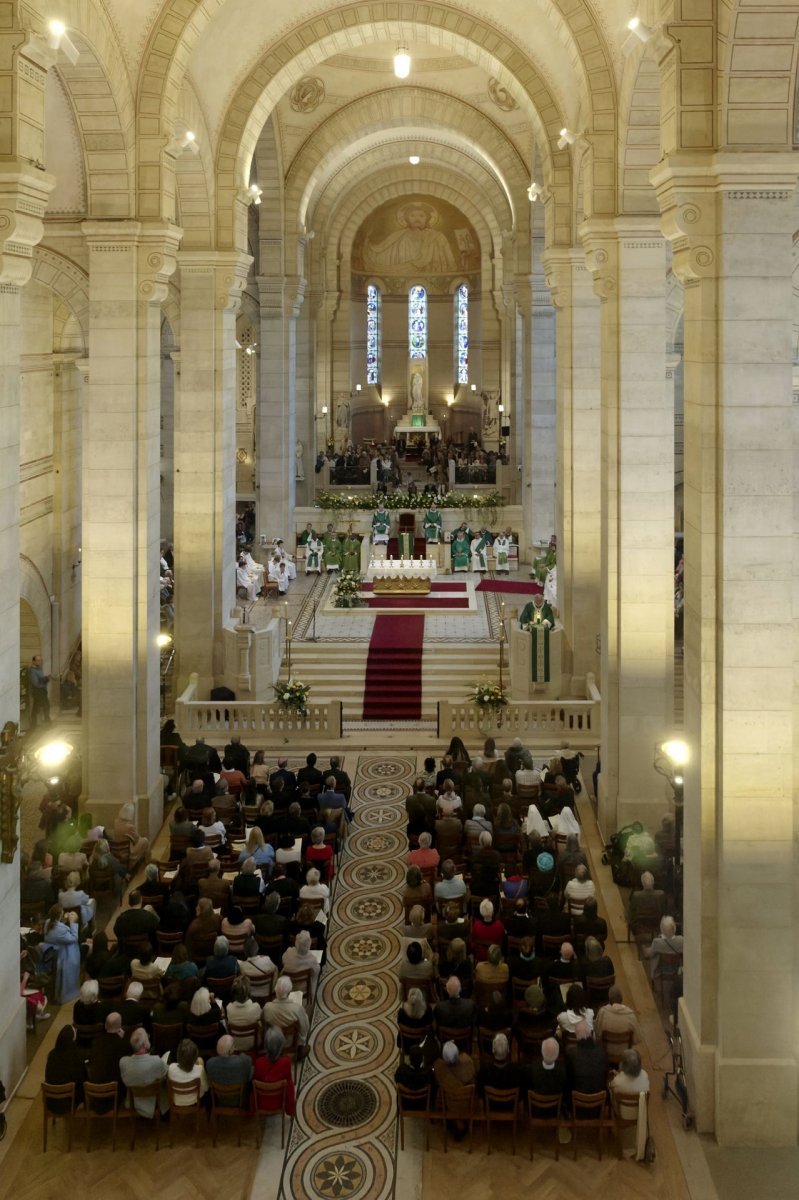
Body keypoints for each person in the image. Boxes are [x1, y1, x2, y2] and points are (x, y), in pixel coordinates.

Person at [610, 1048, 650, 1161]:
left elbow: (613, 1087)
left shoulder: (618, 1081)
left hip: (622, 1112)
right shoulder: (644, 1076)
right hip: (639, 1112)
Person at [120, 1028, 168, 1116]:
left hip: (132, 1103)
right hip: (152, 1104)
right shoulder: (156, 1061)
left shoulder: (123, 1062)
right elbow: (166, 1074)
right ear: (144, 1045)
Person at [42, 904, 81, 1003]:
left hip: (50, 949)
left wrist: (63, 920)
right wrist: (72, 922)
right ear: (59, 915)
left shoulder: (47, 923)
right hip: (62, 953)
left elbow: (57, 929)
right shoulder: (61, 930)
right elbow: (74, 938)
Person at [253, 1027, 296, 1115]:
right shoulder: (286, 1062)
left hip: (262, 1103)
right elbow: (290, 1088)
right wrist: (290, 1109)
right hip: (280, 1102)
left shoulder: (258, 1063)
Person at [45, 1025, 86, 1109]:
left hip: (51, 1102)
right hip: (69, 1102)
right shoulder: (77, 1056)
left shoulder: (52, 1055)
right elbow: (80, 1078)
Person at [205, 1033, 254, 1105]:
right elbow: (249, 1060)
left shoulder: (210, 1063)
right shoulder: (243, 1061)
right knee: (252, 1069)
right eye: (233, 1045)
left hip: (220, 1100)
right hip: (240, 1100)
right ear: (231, 1050)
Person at [262, 975, 310, 1046]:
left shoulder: (267, 1008)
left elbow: (264, 1026)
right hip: (292, 1042)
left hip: (274, 1041)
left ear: (275, 990)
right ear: (289, 992)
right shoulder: (297, 1009)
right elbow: (305, 1028)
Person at [566, 1020, 609, 1097]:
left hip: (576, 1102)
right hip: (599, 1101)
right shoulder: (602, 1052)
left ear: (576, 1036)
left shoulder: (571, 1054)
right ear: (590, 1034)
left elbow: (568, 1079)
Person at [167, 1038, 208, 1105]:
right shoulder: (199, 1070)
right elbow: (206, 1088)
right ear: (195, 1057)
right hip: (195, 1101)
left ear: (178, 1055)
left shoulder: (171, 1068)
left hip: (176, 1101)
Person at [529, 1037, 567, 1107]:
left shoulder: (532, 1070)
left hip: (536, 1110)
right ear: (557, 1055)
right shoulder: (563, 1072)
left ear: (542, 1053)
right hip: (555, 1110)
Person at [27, 653, 51, 728]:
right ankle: (41, 722)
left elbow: (40, 680)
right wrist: (46, 679)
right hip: (37, 691)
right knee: (41, 706)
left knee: (43, 706)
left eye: (40, 660)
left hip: (42, 691)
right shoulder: (32, 671)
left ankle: (41, 722)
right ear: (33, 661)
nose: (39, 662)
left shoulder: (39, 669)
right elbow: (36, 683)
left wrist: (45, 679)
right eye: (38, 660)